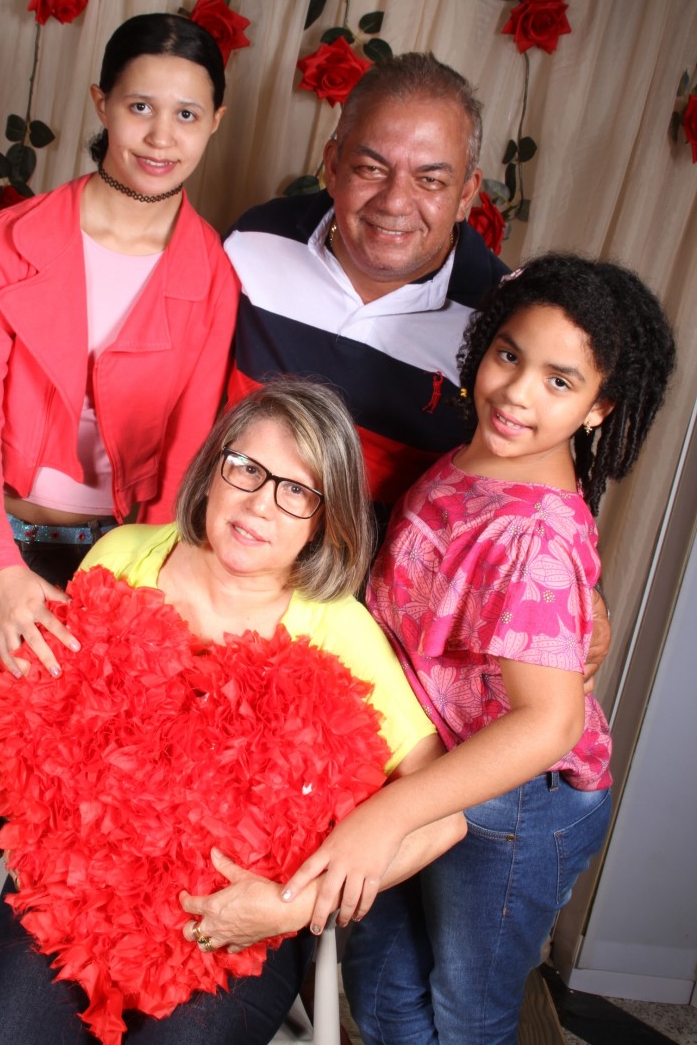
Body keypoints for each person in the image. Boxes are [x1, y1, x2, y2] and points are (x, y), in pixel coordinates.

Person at [0, 12, 239, 1045]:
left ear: (215, 124)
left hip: (113, 564)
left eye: (186, 115)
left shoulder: (212, 276)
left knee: (75, 817)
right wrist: (0, 573)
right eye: (139, 106)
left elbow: (186, 462)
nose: (159, 135)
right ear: (101, 104)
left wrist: (134, 599)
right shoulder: (11, 239)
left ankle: (40, 1019)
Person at [0, 379, 466, 1045]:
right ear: (213, 468)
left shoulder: (340, 632)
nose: (260, 504)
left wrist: (291, 907)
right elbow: (56, 726)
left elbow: (444, 819)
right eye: (247, 468)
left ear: (324, 520)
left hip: (237, 922)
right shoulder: (124, 555)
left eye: (296, 491)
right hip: (78, 890)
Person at [289, 254, 675, 1045]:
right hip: (429, 764)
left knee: (467, 1010)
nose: (517, 393)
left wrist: (386, 816)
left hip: (516, 805)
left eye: (559, 382)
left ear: (600, 408)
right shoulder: (476, 455)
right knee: (382, 986)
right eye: (509, 355)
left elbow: (548, 725)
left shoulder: (532, 536)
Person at [224, 50, 610, 679]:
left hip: (367, 638)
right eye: (371, 168)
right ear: (331, 164)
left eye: (430, 180)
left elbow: (537, 468)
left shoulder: (502, 325)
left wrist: (585, 589)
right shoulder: (255, 243)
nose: (395, 202)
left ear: (466, 195)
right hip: (224, 581)